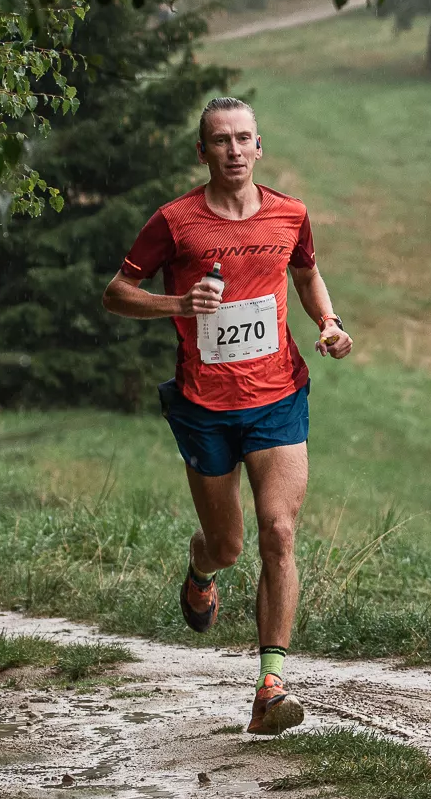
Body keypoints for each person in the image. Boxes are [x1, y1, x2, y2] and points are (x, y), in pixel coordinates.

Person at [101, 96, 353, 735]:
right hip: (205, 408)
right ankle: (200, 567)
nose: (234, 150)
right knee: (228, 545)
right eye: (221, 140)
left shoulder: (290, 214)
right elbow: (116, 294)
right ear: (203, 151)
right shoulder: (175, 222)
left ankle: (270, 686)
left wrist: (329, 321)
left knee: (279, 533)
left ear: (259, 147)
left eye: (244, 139)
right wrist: (179, 304)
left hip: (278, 397)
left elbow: (307, 275)